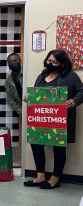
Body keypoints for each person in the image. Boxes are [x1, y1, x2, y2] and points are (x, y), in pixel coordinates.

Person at [23, 49, 83, 189]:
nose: (50, 63)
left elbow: (82, 91)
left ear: (62, 64)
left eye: (54, 62)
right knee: (36, 144)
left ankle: (55, 178)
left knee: (58, 148)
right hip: (40, 119)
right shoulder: (41, 75)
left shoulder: (70, 76)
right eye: (49, 60)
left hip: (59, 119)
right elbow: (37, 93)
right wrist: (29, 97)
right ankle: (40, 176)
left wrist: (74, 101)